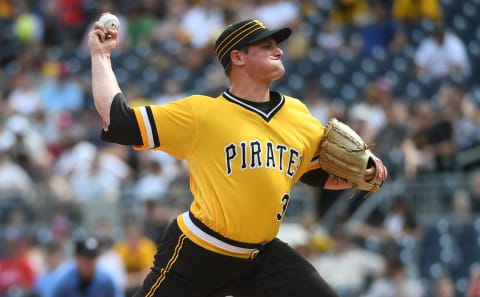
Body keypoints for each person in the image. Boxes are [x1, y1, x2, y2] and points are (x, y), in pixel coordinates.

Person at [88, 17, 386, 297]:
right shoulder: (202, 114)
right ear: (238, 57)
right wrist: (101, 56)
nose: (278, 51)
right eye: (266, 46)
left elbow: (315, 173)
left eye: (277, 45)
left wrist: (364, 173)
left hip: (261, 256)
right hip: (201, 251)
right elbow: (119, 121)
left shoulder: (298, 115)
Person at [49, 236, 123, 297]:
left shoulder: (106, 281)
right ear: (77, 258)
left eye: (92, 257)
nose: (88, 262)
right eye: (85, 258)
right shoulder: (64, 280)